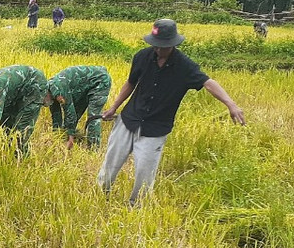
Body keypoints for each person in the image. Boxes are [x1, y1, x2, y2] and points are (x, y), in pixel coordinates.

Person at [99, 18, 246, 205]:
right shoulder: (142, 56)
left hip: (155, 128)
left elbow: (208, 83)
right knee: (110, 165)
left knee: (145, 174)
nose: (158, 50)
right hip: (129, 119)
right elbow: (131, 83)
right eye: (156, 46)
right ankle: (101, 196)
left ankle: (136, 208)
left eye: (163, 47)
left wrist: (230, 104)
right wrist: (114, 107)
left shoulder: (185, 66)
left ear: (173, 44)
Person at [46, 65, 112, 149]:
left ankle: (93, 148)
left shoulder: (59, 92)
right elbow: (56, 115)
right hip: (83, 87)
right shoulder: (49, 91)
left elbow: (70, 113)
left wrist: (70, 139)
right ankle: (73, 136)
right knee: (75, 115)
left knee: (93, 116)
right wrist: (55, 137)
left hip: (100, 81)